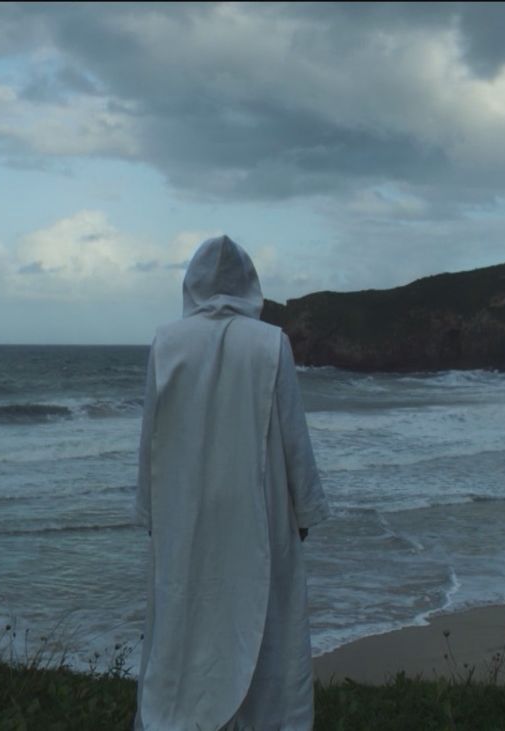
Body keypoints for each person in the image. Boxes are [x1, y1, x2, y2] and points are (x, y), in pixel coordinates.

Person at [134, 235, 330, 731]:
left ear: (192, 283)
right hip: (260, 509)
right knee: (267, 620)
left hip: (186, 511)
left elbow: (150, 439)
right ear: (249, 283)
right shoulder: (271, 342)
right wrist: (304, 512)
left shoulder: (167, 342)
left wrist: (150, 513)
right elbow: (294, 436)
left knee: (186, 614)